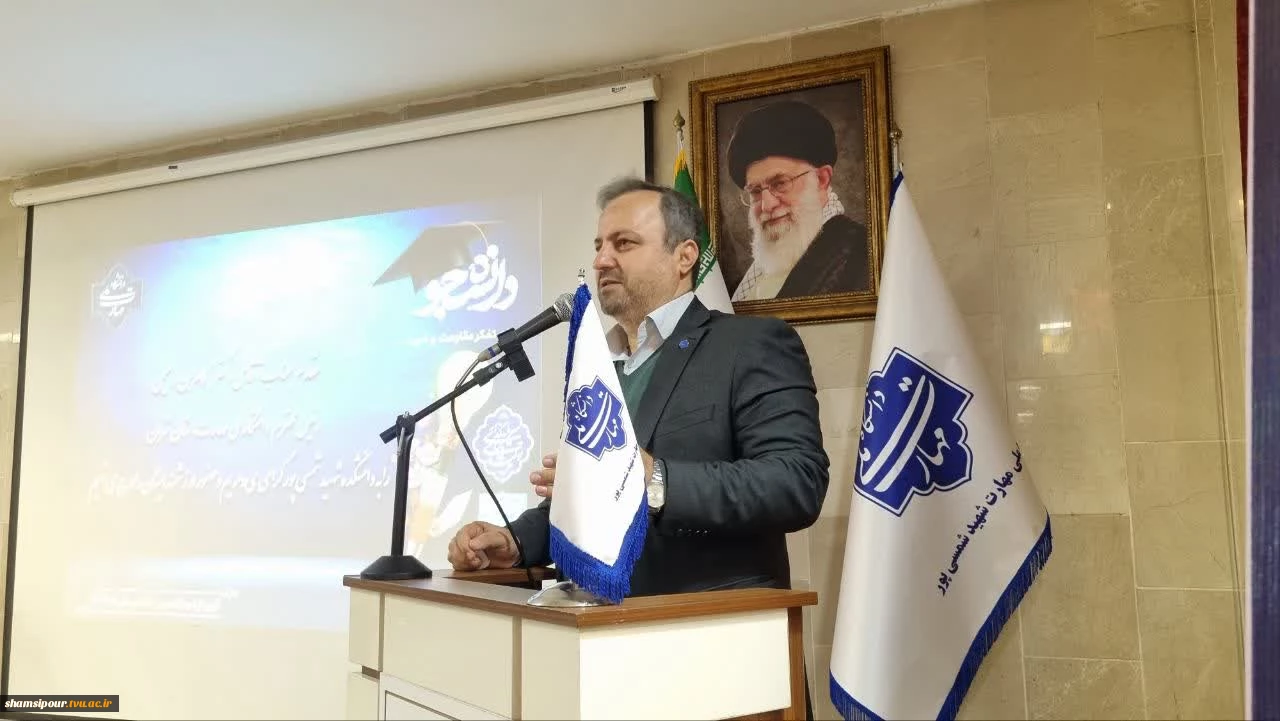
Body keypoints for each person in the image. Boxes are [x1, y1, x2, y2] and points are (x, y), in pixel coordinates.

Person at [447, 176, 829, 599]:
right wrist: (515, 540)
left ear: (684, 256)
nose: (601, 261)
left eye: (624, 243)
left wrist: (653, 479)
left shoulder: (749, 345)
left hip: (709, 622)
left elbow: (795, 483)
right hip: (597, 626)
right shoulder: (600, 365)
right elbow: (596, 501)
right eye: (598, 246)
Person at [725, 99, 872, 302]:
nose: (767, 205)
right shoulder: (758, 273)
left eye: (780, 183)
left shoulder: (862, 255)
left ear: (821, 179)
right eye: (756, 191)